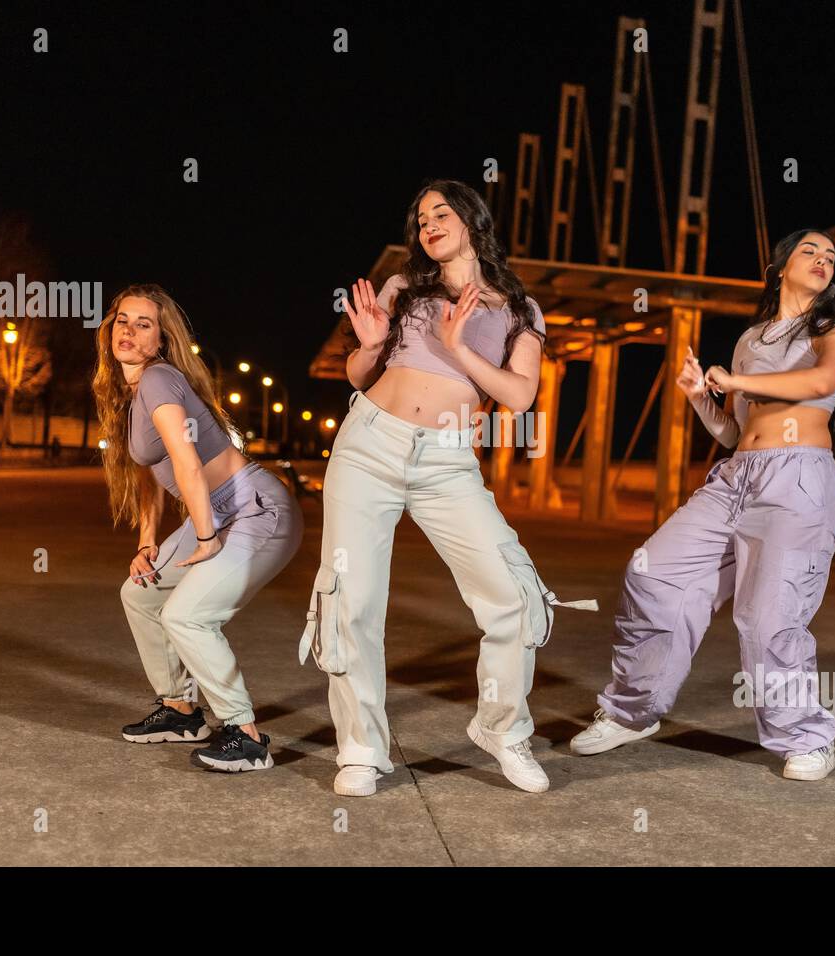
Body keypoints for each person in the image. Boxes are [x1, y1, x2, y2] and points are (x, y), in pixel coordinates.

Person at [303, 179, 595, 797]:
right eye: (420, 217)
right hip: (369, 445)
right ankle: (360, 749)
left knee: (514, 594)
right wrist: (372, 344)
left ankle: (503, 729)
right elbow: (359, 373)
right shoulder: (405, 288)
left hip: (447, 460)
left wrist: (461, 347)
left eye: (441, 212)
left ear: (472, 220)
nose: (428, 222)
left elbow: (519, 395)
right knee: (350, 599)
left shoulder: (518, 308)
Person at [570, 229, 835, 781]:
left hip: (796, 484)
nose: (822, 260)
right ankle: (633, 711)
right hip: (737, 478)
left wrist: (738, 380)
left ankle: (804, 736)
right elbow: (735, 432)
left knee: (769, 616)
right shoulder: (750, 338)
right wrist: (697, 396)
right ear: (779, 267)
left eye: (831, 256)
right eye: (809, 251)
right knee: (654, 572)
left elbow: (824, 379)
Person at [92, 283, 303, 772]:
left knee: (186, 615)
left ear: (161, 339)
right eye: (123, 319)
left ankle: (246, 736)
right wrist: (147, 542)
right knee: (141, 592)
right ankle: (181, 711)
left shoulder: (159, 379)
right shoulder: (130, 394)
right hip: (214, 509)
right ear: (109, 328)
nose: (129, 330)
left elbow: (185, 460)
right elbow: (148, 474)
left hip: (253, 509)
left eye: (144, 324)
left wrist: (206, 537)